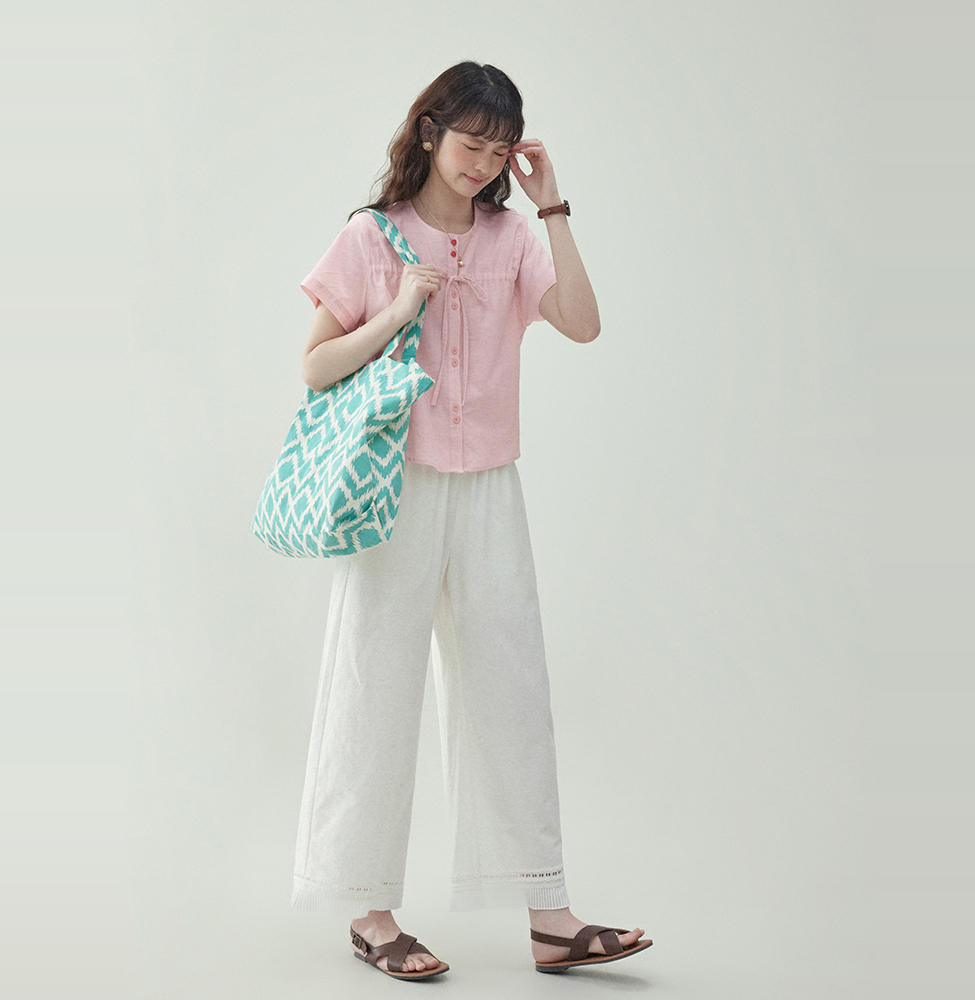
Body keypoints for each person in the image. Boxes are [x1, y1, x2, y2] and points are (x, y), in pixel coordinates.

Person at [293, 61, 651, 980]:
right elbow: (316, 366)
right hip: (394, 486)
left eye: (500, 150)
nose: (485, 164)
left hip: (490, 486)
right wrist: (398, 309)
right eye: (471, 143)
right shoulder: (370, 236)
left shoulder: (513, 236)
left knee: (512, 691)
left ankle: (550, 918)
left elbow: (583, 323)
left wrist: (551, 206)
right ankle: (371, 913)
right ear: (429, 132)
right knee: (376, 689)